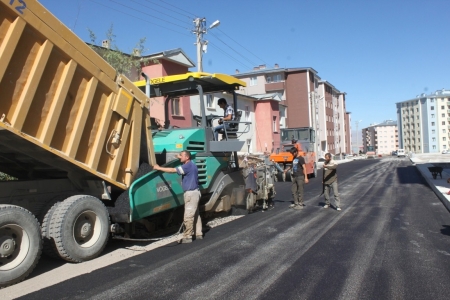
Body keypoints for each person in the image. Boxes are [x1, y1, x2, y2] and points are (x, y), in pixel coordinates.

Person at [153, 150, 203, 243]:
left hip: (191, 194)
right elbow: (182, 157)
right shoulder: (192, 164)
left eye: (182, 156)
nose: (180, 157)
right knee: (195, 214)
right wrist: (178, 156)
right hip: (196, 192)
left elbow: (173, 170)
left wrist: (159, 168)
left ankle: (187, 236)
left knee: (188, 215)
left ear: (187, 157)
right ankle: (198, 233)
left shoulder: (187, 166)